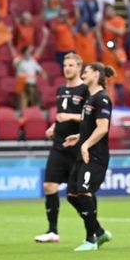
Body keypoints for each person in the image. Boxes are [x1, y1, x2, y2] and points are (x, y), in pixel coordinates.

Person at [34, 53, 91, 243]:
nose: (67, 68)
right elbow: (60, 115)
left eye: (71, 65)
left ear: (79, 67)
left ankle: (93, 229)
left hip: (77, 146)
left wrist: (69, 117)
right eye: (65, 65)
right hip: (59, 145)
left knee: (78, 193)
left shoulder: (85, 90)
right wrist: (53, 127)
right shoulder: (60, 90)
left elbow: (91, 119)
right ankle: (52, 231)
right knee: (49, 186)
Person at [60, 62, 113, 251]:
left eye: (86, 72)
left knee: (83, 191)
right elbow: (89, 127)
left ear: (96, 75)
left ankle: (91, 240)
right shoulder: (89, 99)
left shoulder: (102, 99)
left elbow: (102, 128)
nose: (83, 75)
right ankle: (99, 231)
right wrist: (79, 137)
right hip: (84, 152)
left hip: (96, 155)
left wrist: (86, 144)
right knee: (72, 195)